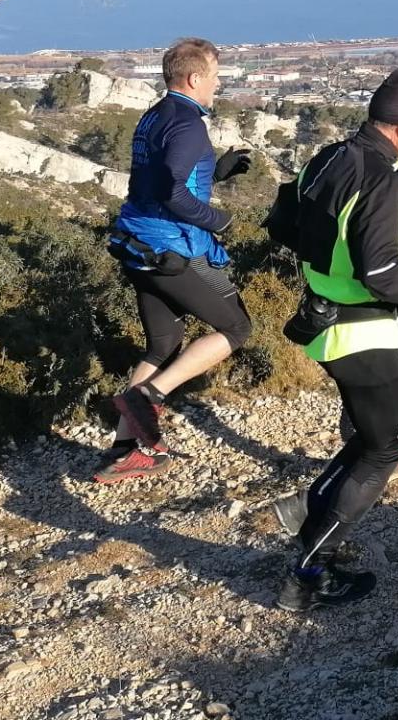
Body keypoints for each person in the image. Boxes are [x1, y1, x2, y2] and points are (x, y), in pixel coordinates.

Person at [274, 65, 398, 611]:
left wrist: (328, 268)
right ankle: (306, 574)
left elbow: (284, 223)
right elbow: (383, 273)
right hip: (356, 329)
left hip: (328, 316)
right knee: (382, 448)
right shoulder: (383, 181)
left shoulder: (329, 157)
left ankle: (312, 511)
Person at [97, 37, 255, 483]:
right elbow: (172, 193)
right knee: (236, 328)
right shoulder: (188, 125)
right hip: (172, 248)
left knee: (162, 345)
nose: (218, 84)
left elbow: (156, 179)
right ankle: (150, 396)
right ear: (195, 78)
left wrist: (215, 173)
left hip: (137, 243)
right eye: (215, 76)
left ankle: (126, 450)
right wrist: (219, 220)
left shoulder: (155, 115)